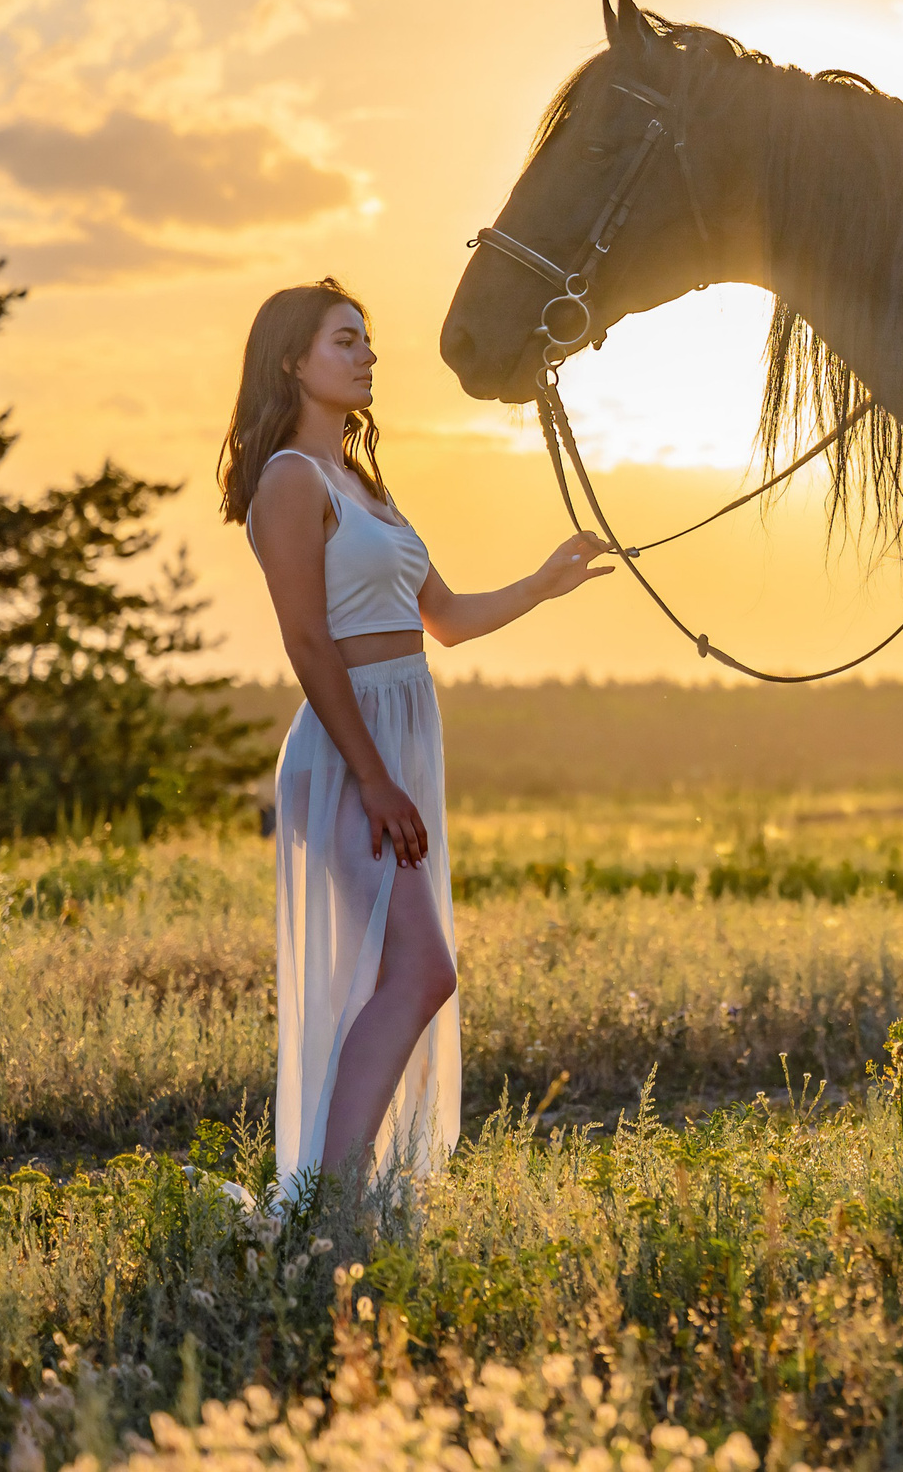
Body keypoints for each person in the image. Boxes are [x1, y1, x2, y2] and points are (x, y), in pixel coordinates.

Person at [216, 278, 609, 1196]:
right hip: (348, 749)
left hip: (400, 731)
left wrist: (544, 581)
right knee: (422, 970)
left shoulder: (364, 485)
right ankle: (327, 1199)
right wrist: (374, 777)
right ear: (292, 360)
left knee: (403, 971)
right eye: (345, 340)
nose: (367, 355)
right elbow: (308, 643)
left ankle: (336, 1196)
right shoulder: (289, 481)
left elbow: (447, 620)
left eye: (367, 341)